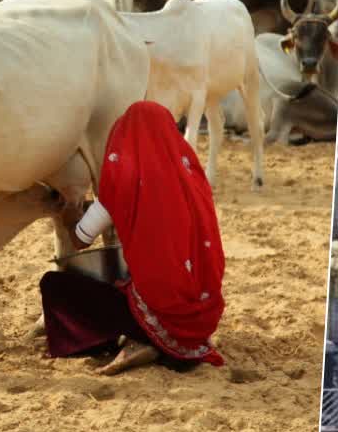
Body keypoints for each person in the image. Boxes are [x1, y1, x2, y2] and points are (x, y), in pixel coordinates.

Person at [39, 101, 226, 375]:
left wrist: (69, 210)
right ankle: (159, 343)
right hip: (201, 319)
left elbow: (80, 240)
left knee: (54, 285)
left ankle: (143, 340)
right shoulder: (193, 178)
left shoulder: (121, 181)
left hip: (156, 311)